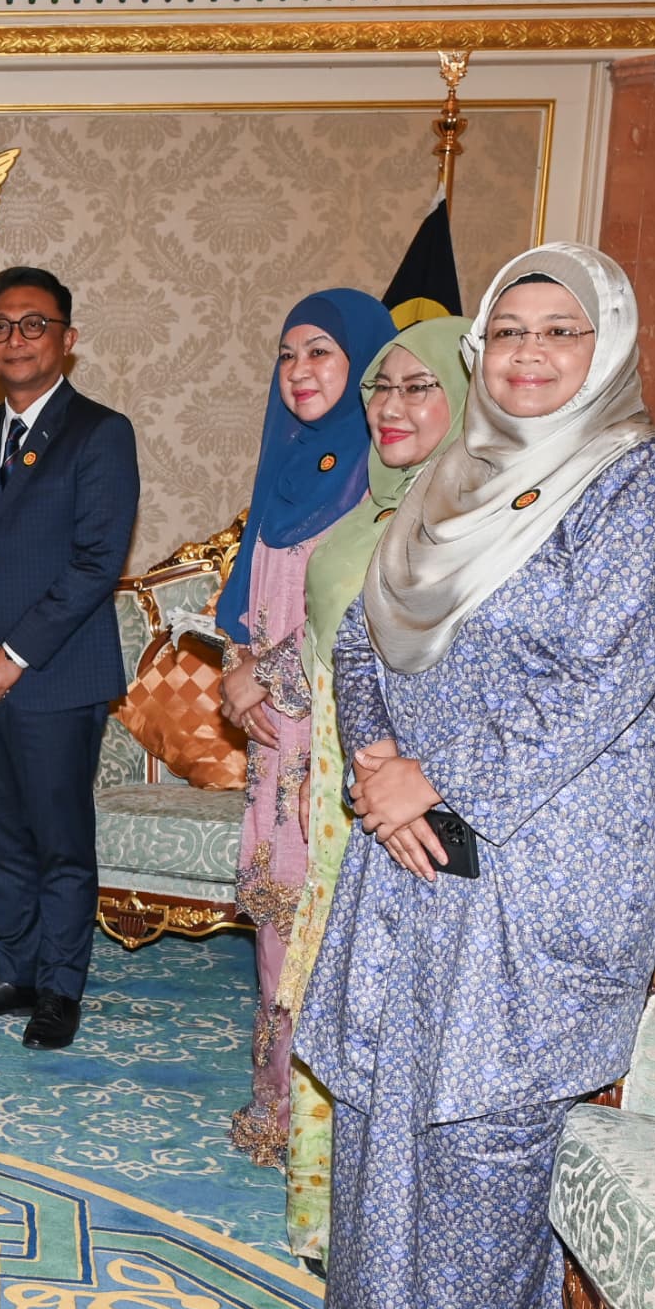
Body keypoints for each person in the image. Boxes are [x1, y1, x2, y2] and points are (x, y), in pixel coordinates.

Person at [299, 244, 655, 1309]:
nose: (530, 354)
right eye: (511, 331)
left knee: (485, 1100)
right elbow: (359, 636)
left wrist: (434, 780)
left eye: (560, 331)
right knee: (389, 1074)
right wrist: (377, 765)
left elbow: (596, 681)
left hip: (549, 836)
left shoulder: (641, 485)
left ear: (608, 345)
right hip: (408, 825)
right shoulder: (455, 474)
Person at [277, 316, 470, 1267]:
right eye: (380, 390)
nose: (391, 407)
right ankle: (330, 1218)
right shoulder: (372, 511)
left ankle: (390, 1238)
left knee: (399, 1008)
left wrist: (402, 780)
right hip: (337, 788)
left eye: (419, 387)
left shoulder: (474, 519)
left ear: (467, 397)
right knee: (336, 993)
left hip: (414, 797)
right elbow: (332, 647)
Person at [0, 267, 141, 1050]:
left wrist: (14, 654)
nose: (14, 339)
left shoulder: (100, 433)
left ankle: (58, 989)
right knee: (2, 842)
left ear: (67, 339)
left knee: (59, 843)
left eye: (33, 324)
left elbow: (96, 561)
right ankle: (10, 973)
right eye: (0, 327)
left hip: (54, 677)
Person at [215, 290, 396, 1162]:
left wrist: (262, 677)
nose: (299, 371)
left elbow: (360, 620)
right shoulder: (286, 465)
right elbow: (249, 607)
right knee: (278, 925)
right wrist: (238, 674)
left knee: (331, 929)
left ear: (366, 366)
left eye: (321, 352)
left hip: (341, 744)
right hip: (272, 743)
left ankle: (333, 1138)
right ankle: (278, 1111)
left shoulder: (388, 473)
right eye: (288, 355)